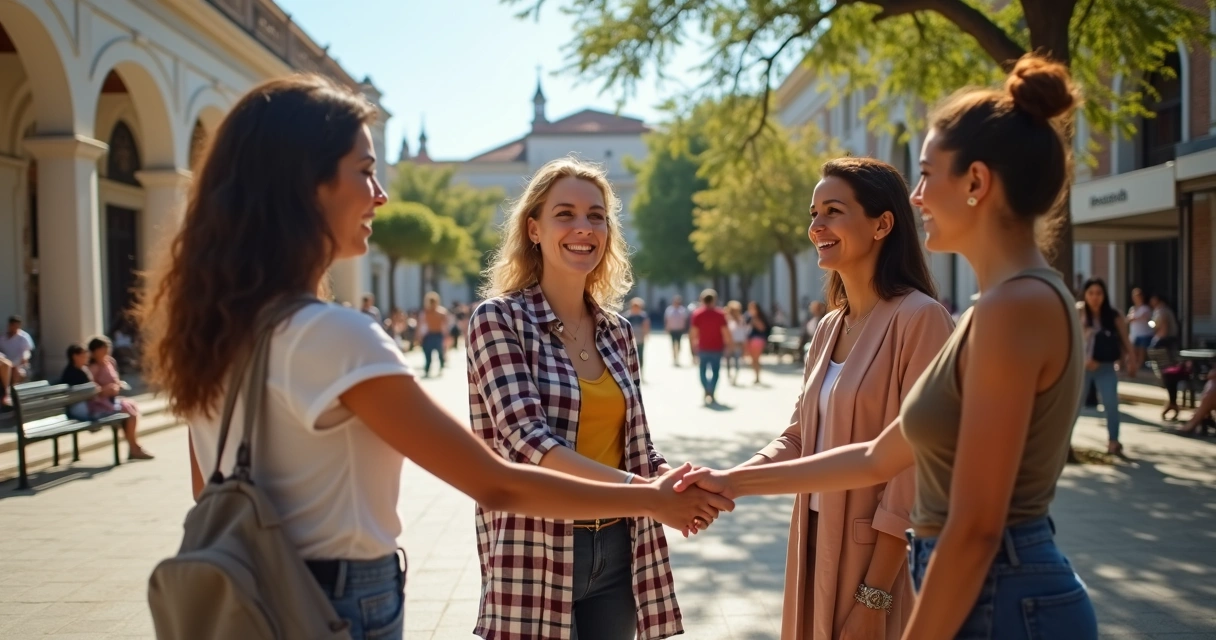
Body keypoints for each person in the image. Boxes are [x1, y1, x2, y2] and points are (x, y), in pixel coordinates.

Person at [134, 76, 730, 640]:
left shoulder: (219, 332)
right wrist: (652, 497)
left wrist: (660, 486)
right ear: (305, 184)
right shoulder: (339, 337)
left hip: (247, 587)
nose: (381, 193)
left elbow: (208, 490)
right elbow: (497, 482)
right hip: (335, 597)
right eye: (365, 171)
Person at [677, 55, 1099, 640]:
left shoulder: (1011, 307)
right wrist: (733, 481)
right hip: (990, 587)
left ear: (976, 183)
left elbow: (974, 528)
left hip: (1004, 594)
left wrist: (881, 603)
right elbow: (877, 457)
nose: (917, 197)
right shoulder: (998, 307)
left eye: (926, 175)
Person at [467, 157, 727, 640]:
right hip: (536, 543)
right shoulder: (498, 320)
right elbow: (528, 441)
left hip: (619, 547)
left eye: (596, 216)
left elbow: (635, 445)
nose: (583, 227)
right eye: (564, 214)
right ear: (534, 229)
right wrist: (647, 495)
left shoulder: (618, 331)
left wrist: (676, 481)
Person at [729, 157, 953, 640]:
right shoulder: (830, 326)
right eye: (814, 213)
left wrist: (875, 595)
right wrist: (727, 481)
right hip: (811, 544)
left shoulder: (921, 319)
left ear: (882, 224)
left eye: (833, 211)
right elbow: (798, 437)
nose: (817, 226)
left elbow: (915, 470)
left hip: (876, 561)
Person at [1078, 278, 1134, 455]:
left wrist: (1131, 360)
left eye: (1099, 293)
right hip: (1082, 368)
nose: (1095, 297)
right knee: (1074, 406)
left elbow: (1125, 340)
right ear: (1085, 295)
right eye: (1091, 293)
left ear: (1104, 295)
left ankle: (1113, 441)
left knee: (1111, 404)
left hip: (1105, 367)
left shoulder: (1114, 315)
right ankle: (1065, 445)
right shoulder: (1078, 312)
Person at [86, 336, 153, 460]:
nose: (107, 351)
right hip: (100, 402)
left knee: (132, 406)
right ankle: (134, 447)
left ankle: (134, 447)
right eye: (104, 349)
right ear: (95, 350)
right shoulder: (93, 367)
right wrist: (104, 389)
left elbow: (115, 379)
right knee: (129, 412)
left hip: (112, 399)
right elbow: (91, 388)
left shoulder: (110, 362)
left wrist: (117, 385)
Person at [690, 289, 731, 405]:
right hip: (717, 347)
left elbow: (693, 333)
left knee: (702, 371)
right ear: (714, 300)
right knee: (716, 371)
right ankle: (711, 389)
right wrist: (729, 345)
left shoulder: (697, 314)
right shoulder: (720, 314)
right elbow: (725, 332)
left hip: (703, 347)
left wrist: (692, 348)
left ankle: (707, 388)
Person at [0, 315, 34, 405]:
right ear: (9, 325)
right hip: (7, 364)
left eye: (17, 326)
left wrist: (24, 358)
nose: (15, 328)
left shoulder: (24, 337)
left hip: (20, 365)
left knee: (19, 372)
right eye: (13, 326)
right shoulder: (2, 338)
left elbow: (27, 351)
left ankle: (14, 396)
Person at [418, 292, 449, 376]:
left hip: (438, 334)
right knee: (427, 354)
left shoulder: (441, 312)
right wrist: (419, 335)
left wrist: (446, 336)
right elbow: (420, 325)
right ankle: (427, 369)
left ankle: (441, 366)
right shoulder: (425, 312)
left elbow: (445, 325)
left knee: (440, 353)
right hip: (429, 334)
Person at [1126, 287, 1153, 375]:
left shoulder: (1146, 308)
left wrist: (1134, 318)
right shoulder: (1132, 308)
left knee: (1142, 352)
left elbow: (1145, 317)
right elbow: (1128, 319)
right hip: (1134, 334)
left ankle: (1139, 368)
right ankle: (1134, 367)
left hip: (1144, 333)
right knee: (1133, 352)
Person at [745, 301, 771, 384]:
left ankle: (757, 377)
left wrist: (755, 321)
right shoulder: (748, 317)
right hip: (750, 339)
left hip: (758, 340)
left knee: (756, 359)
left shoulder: (759, 317)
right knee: (752, 360)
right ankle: (756, 376)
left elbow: (762, 328)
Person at [725, 301, 750, 385]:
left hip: (738, 343)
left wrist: (744, 345)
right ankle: (729, 375)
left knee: (737, 361)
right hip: (729, 343)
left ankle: (735, 377)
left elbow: (744, 332)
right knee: (728, 360)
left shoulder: (741, 320)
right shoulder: (727, 319)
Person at [625, 297, 650, 380]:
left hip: (640, 340)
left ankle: (640, 374)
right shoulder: (627, 316)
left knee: (640, 357)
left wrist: (646, 335)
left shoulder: (643, 316)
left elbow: (646, 325)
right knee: (630, 358)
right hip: (629, 341)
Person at [664, 295, 690, 366]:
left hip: (679, 329)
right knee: (673, 343)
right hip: (672, 329)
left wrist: (685, 329)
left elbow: (685, 320)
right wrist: (666, 328)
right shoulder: (669, 310)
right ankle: (674, 357)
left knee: (679, 343)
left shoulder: (682, 310)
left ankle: (677, 355)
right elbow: (666, 319)